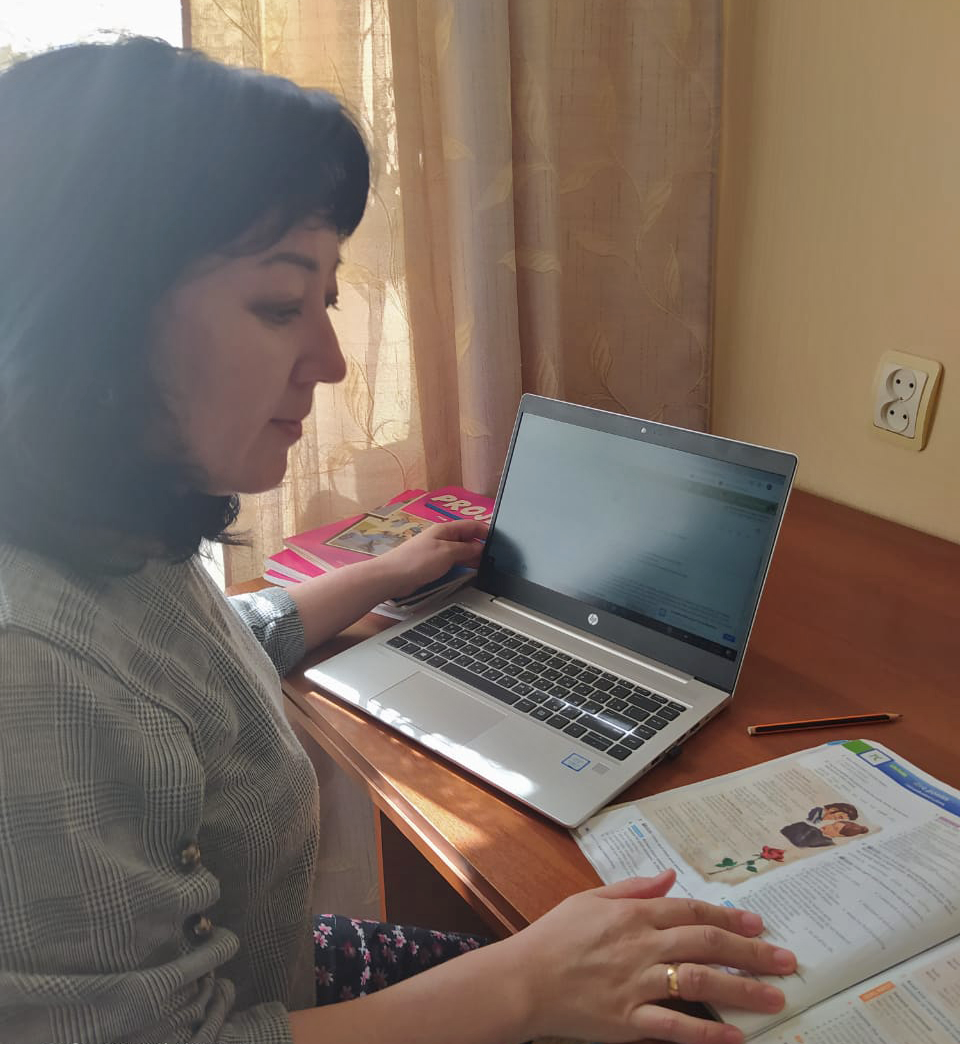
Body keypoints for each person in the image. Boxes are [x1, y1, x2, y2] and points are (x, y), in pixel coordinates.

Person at [0, 37, 798, 1044]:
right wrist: (523, 989)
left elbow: (176, 672)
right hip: (251, 1012)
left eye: (327, 299)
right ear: (90, 314)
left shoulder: (110, 522)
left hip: (271, 962)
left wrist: (386, 574)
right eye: (282, 303)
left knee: (618, 965)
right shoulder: (28, 666)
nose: (331, 360)